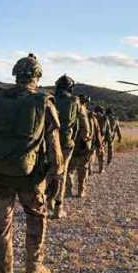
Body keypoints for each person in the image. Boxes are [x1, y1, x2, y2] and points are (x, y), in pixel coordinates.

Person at [0, 53, 64, 273]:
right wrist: (57, 174)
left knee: (2, 225)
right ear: (37, 76)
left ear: (16, 75)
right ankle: (34, 270)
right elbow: (54, 146)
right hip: (29, 177)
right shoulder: (43, 102)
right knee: (36, 217)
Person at [46, 75, 88, 219]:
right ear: (71, 87)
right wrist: (85, 140)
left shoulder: (49, 100)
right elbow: (85, 126)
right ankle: (58, 208)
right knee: (61, 174)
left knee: (46, 172)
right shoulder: (76, 102)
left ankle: (46, 202)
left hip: (46, 142)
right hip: (65, 143)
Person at [66, 95, 93, 198]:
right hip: (82, 146)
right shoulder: (85, 112)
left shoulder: (69, 110)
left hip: (70, 144)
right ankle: (81, 190)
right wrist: (89, 143)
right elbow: (88, 130)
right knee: (82, 169)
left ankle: (69, 190)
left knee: (70, 169)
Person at [93, 105, 110, 173]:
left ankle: (89, 169)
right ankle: (101, 169)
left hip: (92, 138)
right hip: (101, 139)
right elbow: (108, 131)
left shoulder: (92, 116)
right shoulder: (105, 118)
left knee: (90, 155)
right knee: (101, 155)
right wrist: (108, 139)